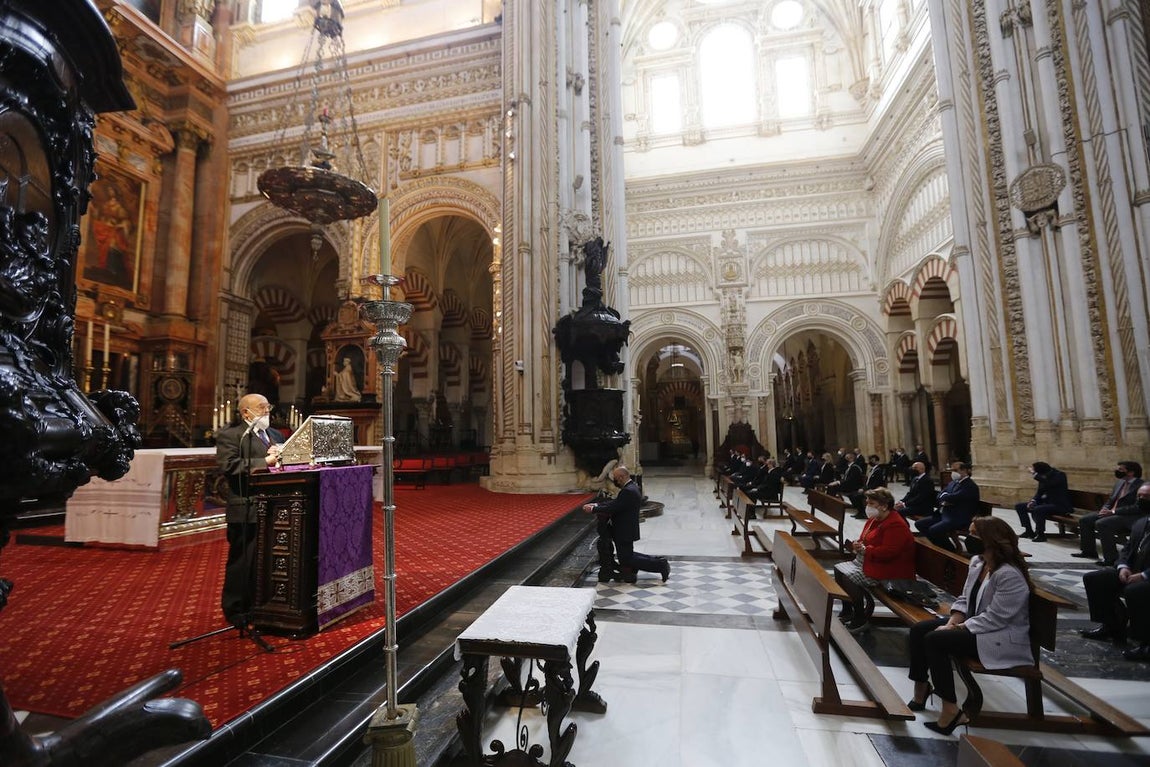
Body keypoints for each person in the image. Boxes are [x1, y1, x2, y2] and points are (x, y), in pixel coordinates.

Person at [906, 516, 1033, 735]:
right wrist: (954, 621)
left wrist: (955, 628)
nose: (968, 537)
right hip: (976, 623)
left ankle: (950, 709)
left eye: (974, 534)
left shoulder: (1009, 574)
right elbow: (964, 598)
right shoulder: (979, 562)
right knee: (919, 630)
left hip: (998, 635)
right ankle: (921, 688)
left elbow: (997, 618)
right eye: (970, 532)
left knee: (936, 640)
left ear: (991, 540)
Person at [216, 393, 284, 628]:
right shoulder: (232, 435)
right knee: (243, 561)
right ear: (246, 412)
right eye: (261, 407)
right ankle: (236, 611)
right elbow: (229, 466)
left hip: (273, 507)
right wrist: (264, 462)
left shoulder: (274, 434)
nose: (267, 411)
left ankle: (261, 605)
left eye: (268, 406)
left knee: (265, 561)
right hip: (245, 507)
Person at [1080, 483, 1150, 660]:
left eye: (1147, 497)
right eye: (1139, 497)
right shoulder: (1141, 523)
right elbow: (1126, 551)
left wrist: (1143, 576)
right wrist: (1123, 566)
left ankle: (1145, 643)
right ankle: (1112, 625)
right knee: (1095, 579)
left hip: (1145, 576)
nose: (1142, 500)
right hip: (1133, 571)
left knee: (1135, 591)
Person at [833, 488, 915, 631]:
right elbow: (864, 537)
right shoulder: (875, 520)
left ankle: (860, 618)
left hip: (890, 568)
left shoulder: (895, 524)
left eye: (871, 503)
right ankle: (848, 611)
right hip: (872, 560)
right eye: (867, 502)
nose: (867, 506)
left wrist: (866, 550)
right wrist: (857, 544)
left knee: (849, 578)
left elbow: (890, 552)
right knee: (838, 569)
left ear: (884, 506)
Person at [582, 466, 670, 583]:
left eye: (616, 479)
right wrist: (597, 506)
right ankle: (659, 562)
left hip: (624, 530)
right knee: (628, 555)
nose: (615, 481)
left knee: (627, 558)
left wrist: (593, 509)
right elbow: (618, 503)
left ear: (622, 477)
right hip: (626, 529)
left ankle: (660, 565)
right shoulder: (632, 487)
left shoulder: (628, 491)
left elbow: (615, 507)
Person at [1072, 461, 1144, 566]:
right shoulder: (1120, 482)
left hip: (1128, 516)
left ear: (1131, 472)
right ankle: (1089, 551)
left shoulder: (1141, 485)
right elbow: (1111, 500)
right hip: (1112, 513)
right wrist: (1104, 509)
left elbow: (1137, 507)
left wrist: (1113, 511)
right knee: (1085, 520)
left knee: (1102, 523)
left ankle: (1111, 558)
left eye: (1121, 469)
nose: (1117, 471)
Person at [915, 461, 980, 551]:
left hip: (958, 517)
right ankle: (939, 546)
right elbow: (940, 494)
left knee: (934, 530)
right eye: (952, 470)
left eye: (955, 470)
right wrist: (944, 499)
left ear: (964, 470)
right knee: (920, 524)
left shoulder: (970, 485)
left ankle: (949, 550)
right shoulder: (953, 482)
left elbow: (952, 497)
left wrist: (946, 497)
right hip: (946, 513)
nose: (953, 472)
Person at [1015, 461, 1071, 542]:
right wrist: (1033, 501)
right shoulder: (1043, 477)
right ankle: (1028, 531)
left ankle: (1040, 534)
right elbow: (1039, 492)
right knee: (1020, 506)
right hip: (1046, 504)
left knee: (1038, 509)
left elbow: (1050, 484)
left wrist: (1035, 475)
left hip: (1059, 505)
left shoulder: (1059, 475)